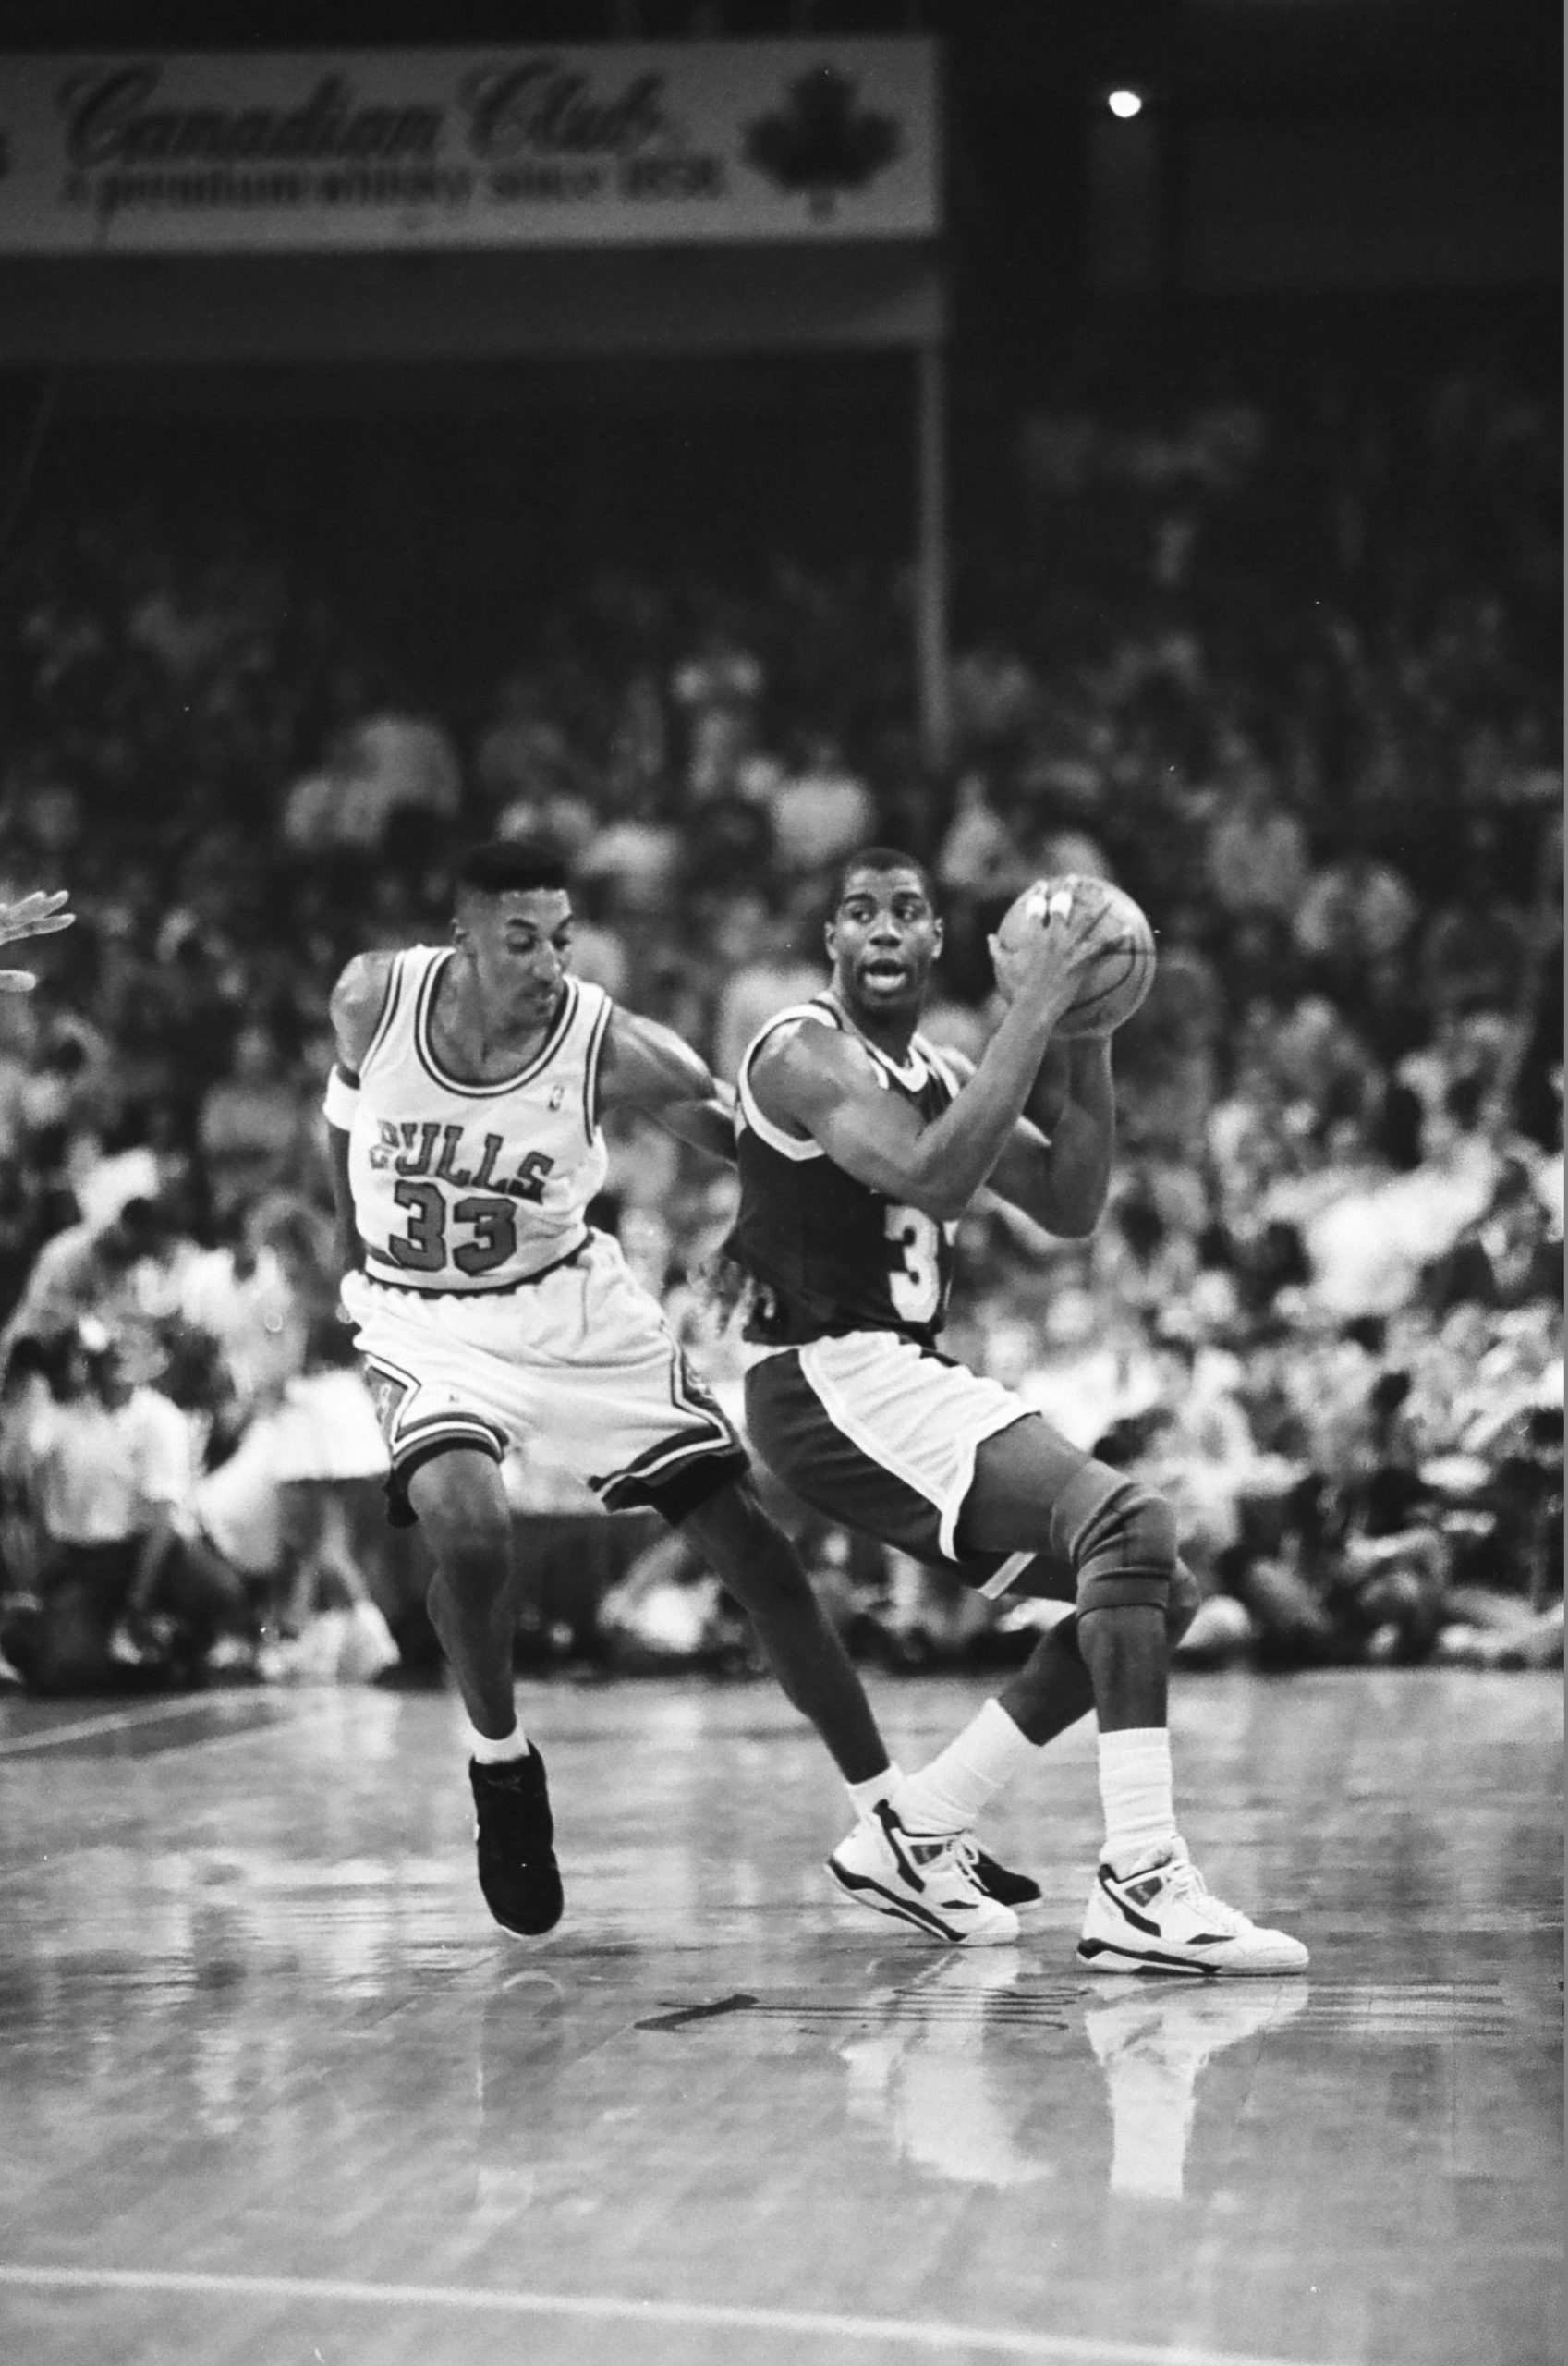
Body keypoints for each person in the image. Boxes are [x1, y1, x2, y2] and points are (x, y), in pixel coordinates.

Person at [322, 840, 1027, 1942]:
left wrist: (762, 1237)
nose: (550, 961)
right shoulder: (374, 997)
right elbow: (342, 1131)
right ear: (460, 934)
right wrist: (357, 1266)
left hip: (572, 1307)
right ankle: (501, 1765)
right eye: (522, 939)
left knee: (752, 1552)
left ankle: (891, 1819)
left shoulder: (606, 1041)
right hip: (427, 1318)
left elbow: (750, 1137)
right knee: (467, 1529)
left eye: (561, 937)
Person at [725, 848, 1308, 1973]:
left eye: (906, 912)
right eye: (860, 914)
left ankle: (920, 1829)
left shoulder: (942, 1067)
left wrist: (1085, 1030)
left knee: (1153, 1588)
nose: (884, 930)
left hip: (887, 1375)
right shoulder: (799, 1050)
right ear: (831, 946)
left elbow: (1071, 1201)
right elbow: (934, 1179)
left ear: (943, 941)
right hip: (825, 1377)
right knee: (1127, 1526)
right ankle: (1140, 1878)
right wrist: (1040, 1001)